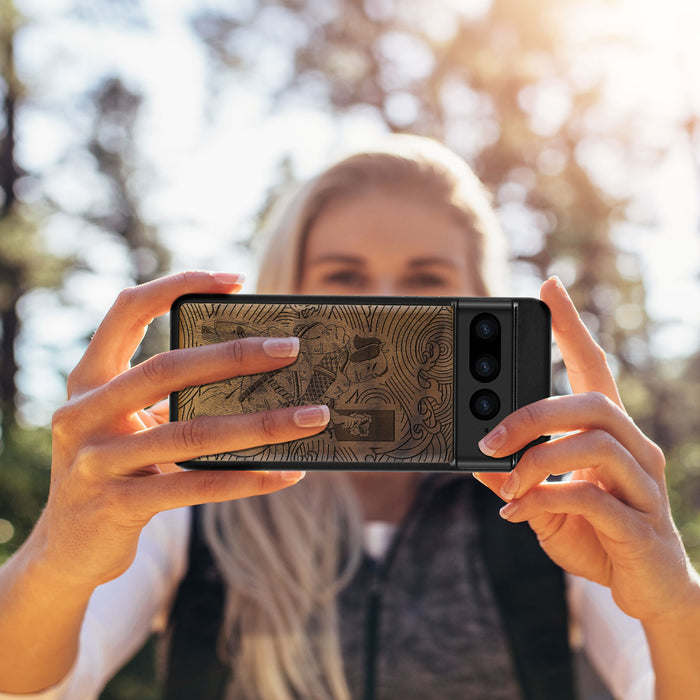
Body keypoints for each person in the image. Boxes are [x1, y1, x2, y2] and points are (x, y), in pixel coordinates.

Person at [0, 135, 699, 700]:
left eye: (427, 280)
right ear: (283, 297)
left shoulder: (551, 498)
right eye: (344, 279)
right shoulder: (188, 495)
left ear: (482, 301)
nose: (385, 311)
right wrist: (57, 559)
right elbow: (38, 685)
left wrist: (674, 604)